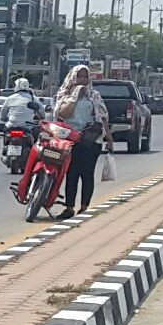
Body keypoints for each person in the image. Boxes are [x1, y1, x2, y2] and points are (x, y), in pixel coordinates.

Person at [55, 64, 107, 214]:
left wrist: (108, 137)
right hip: (70, 139)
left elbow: (102, 117)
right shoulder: (64, 94)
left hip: (90, 140)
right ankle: (69, 207)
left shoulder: (94, 95)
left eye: (85, 77)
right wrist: (74, 97)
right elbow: (62, 114)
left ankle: (84, 207)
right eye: (80, 76)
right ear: (73, 77)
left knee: (87, 173)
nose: (82, 80)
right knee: (71, 173)